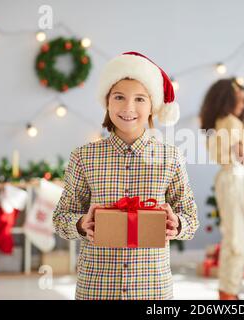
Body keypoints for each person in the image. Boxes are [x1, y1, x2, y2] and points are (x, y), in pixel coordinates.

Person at [53, 52, 199, 300]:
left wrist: (178, 225)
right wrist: (80, 224)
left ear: (152, 106)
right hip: (96, 287)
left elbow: (191, 218)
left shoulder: (170, 158)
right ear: (107, 102)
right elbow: (60, 218)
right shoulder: (83, 157)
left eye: (140, 99)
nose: (128, 108)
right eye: (119, 97)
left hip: (152, 288)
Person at [200, 78, 244, 300]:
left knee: (233, 235)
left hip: (229, 179)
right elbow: (242, 157)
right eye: (239, 100)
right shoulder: (232, 122)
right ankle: (229, 292)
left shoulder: (218, 123)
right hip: (233, 179)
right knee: (237, 238)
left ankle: (228, 289)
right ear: (229, 100)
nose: (243, 105)